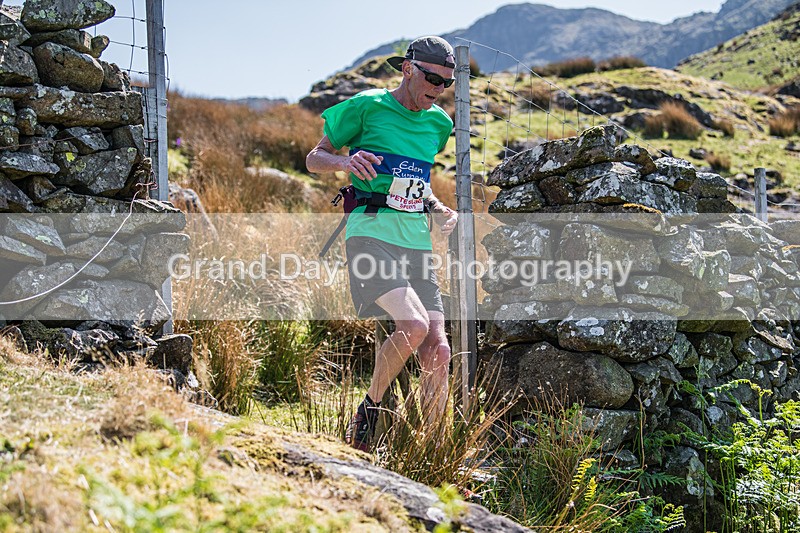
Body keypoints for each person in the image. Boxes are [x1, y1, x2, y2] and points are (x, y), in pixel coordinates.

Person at [306, 36, 459, 452]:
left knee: (439, 351)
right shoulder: (367, 106)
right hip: (370, 232)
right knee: (412, 325)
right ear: (407, 69)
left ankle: (435, 455)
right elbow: (313, 157)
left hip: (416, 243)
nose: (438, 89)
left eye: (446, 83)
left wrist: (440, 209)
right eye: (432, 78)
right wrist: (343, 162)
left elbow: (417, 184)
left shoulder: (438, 124)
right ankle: (368, 412)